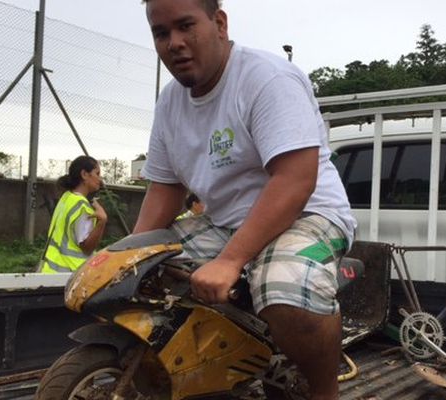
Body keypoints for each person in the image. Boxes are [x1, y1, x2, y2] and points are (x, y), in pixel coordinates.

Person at [135, 0, 356, 398]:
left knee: (285, 288)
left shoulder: (268, 78)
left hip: (307, 214)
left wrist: (231, 261)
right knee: (147, 266)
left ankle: (324, 391)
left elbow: (294, 180)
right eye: (161, 32)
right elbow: (164, 190)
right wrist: (126, 259)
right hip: (226, 223)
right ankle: (231, 370)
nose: (175, 43)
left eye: (186, 26)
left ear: (219, 22)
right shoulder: (169, 102)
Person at [40, 156, 108, 273]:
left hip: (51, 270)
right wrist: (102, 222)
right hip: (68, 274)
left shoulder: (67, 197)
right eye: (97, 173)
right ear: (84, 174)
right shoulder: (81, 205)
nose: (100, 179)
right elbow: (87, 248)